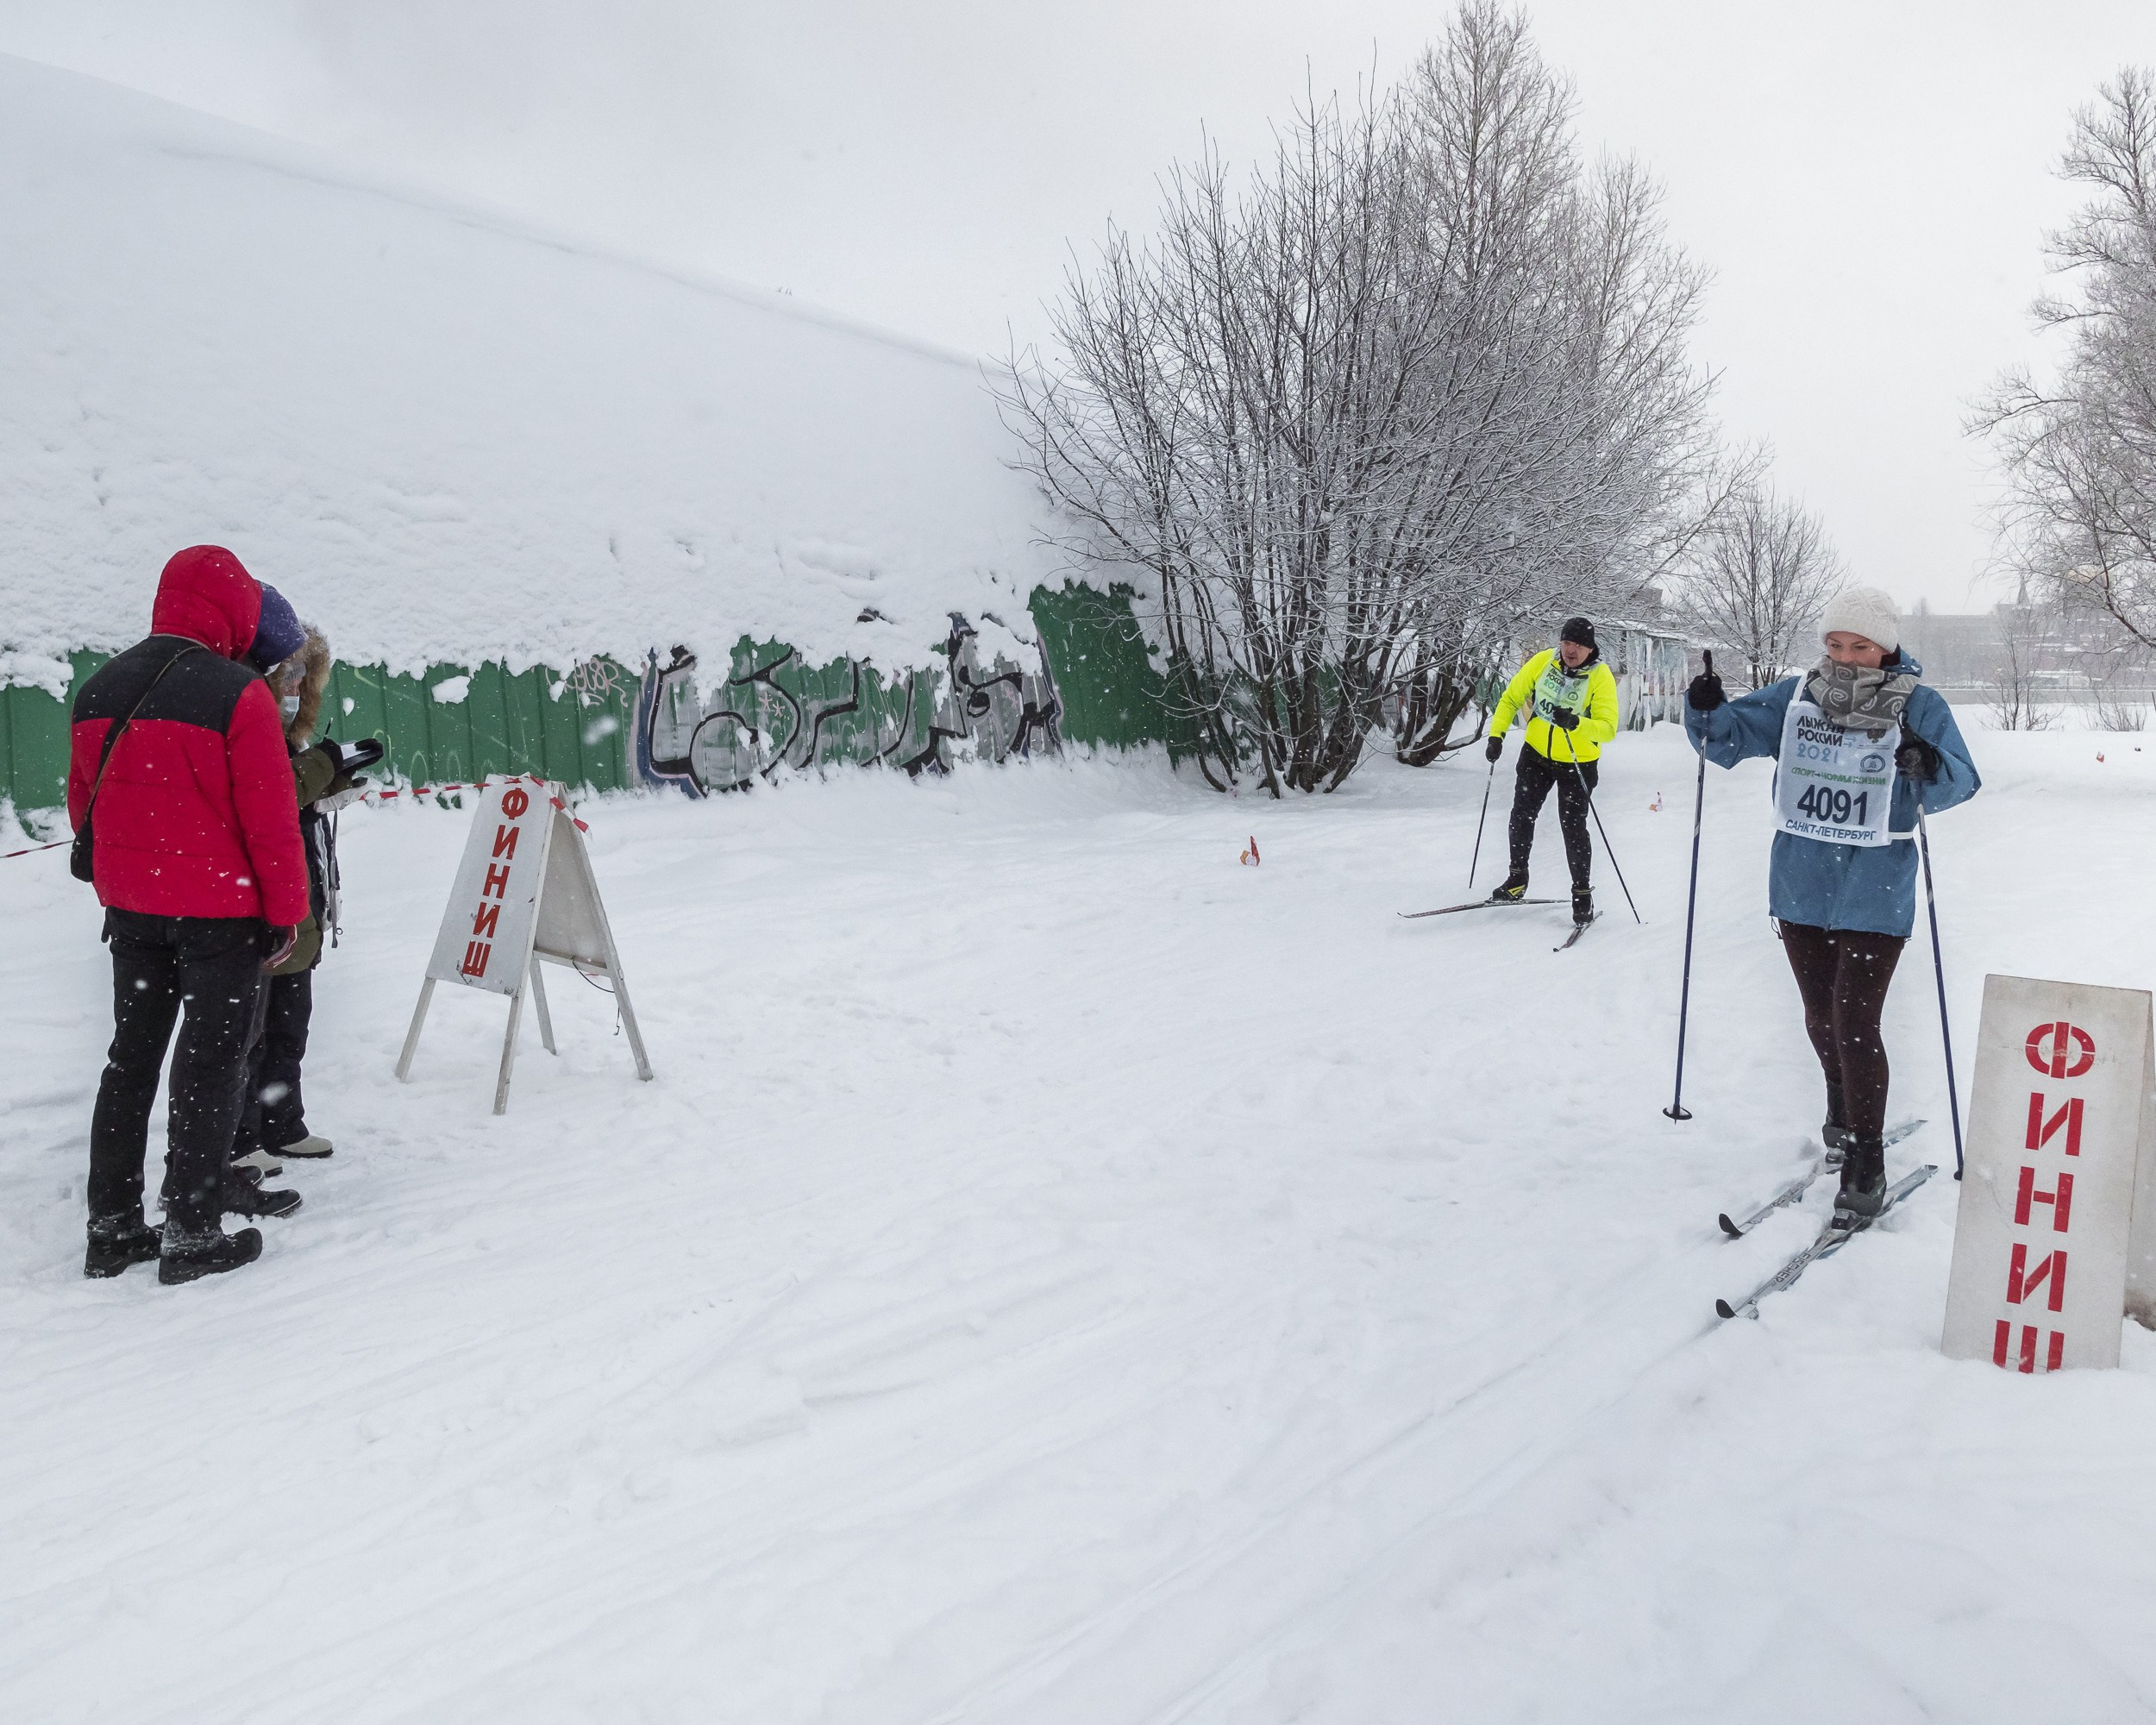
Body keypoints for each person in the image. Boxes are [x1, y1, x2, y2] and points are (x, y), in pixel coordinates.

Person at [1684, 586, 1978, 1219]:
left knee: (1854, 1020)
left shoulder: (1919, 705)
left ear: (1886, 648)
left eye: (1861, 646)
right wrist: (1705, 707)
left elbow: (1960, 780)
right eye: (1836, 644)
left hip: (1876, 884)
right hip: (1802, 881)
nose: (1846, 657)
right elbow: (1728, 739)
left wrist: (1926, 762)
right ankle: (1842, 1110)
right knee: (1820, 1017)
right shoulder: (1798, 697)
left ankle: (1867, 1158)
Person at [69, 545, 310, 1284]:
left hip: (133, 912)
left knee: (130, 1060)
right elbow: (270, 821)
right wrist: (287, 914)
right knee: (209, 1065)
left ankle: (113, 1227)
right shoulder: (238, 693)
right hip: (221, 917)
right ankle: (192, 1232)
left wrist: (124, 882)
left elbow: (83, 805)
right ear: (234, 610)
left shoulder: (100, 686)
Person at [230, 619, 376, 1179]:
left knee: (290, 1024)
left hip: (299, 898)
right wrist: (326, 764)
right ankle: (242, 1138)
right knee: (249, 1032)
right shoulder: (244, 725)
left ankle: (281, 1124)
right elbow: (270, 796)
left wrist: (333, 779)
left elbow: (293, 798)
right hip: (258, 903)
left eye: (304, 676)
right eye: (290, 673)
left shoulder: (288, 737)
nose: (296, 685)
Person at [1483, 617, 1621, 925]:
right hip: (1536, 755)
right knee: (1521, 816)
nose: (1571, 650)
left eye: (1579, 645)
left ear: (1590, 648)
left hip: (1577, 761)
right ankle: (1517, 879)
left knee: (1573, 827)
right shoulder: (1543, 661)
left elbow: (1608, 728)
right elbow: (1511, 698)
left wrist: (1576, 723)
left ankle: (1582, 893)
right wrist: (1496, 735)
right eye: (1567, 642)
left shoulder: (1600, 676)